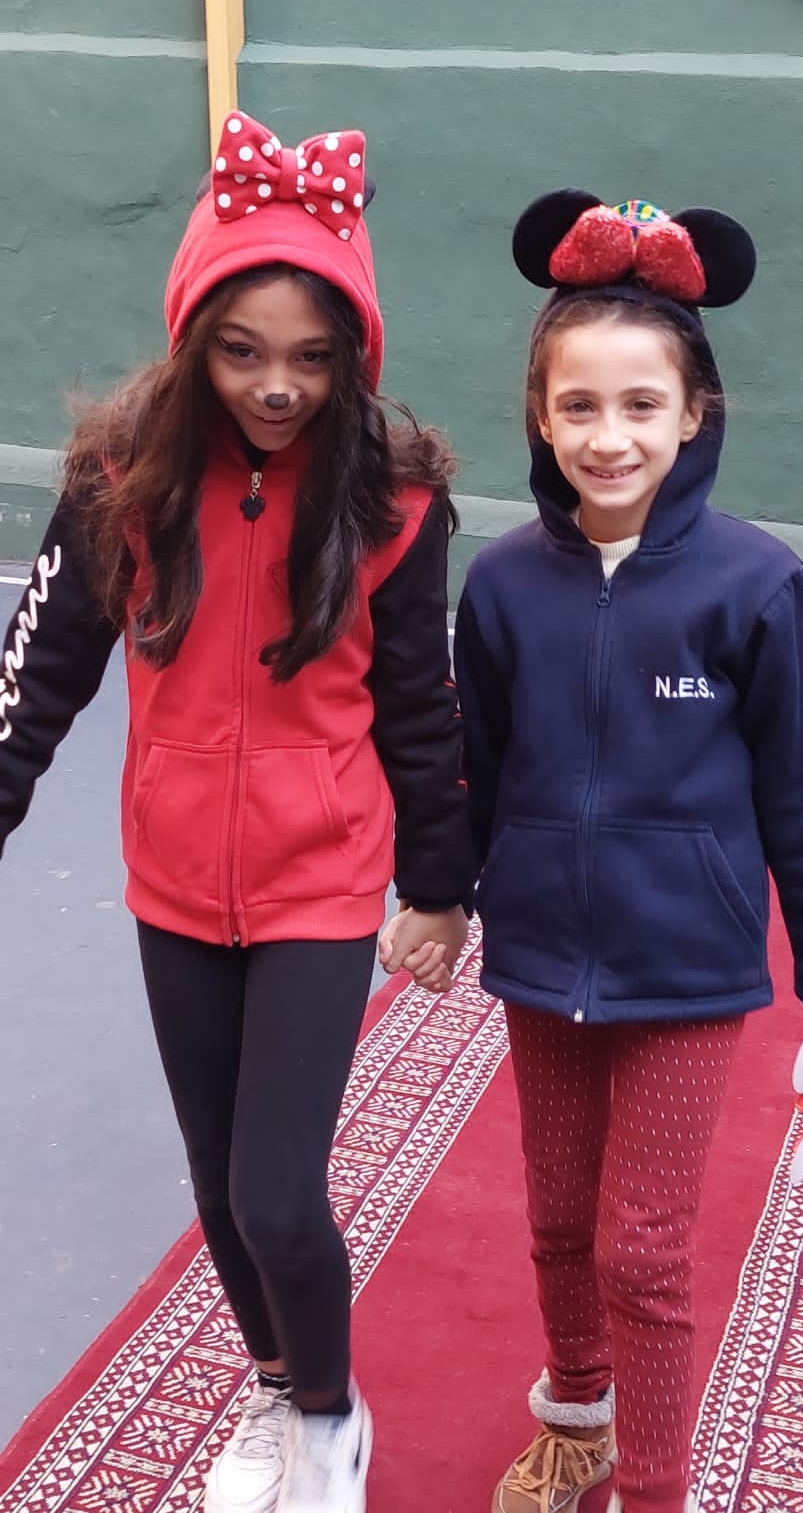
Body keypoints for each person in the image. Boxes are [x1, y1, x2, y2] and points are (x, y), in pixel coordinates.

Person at [0, 110, 473, 1513]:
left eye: (313, 358)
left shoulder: (393, 503)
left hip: (318, 882)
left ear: (354, 356)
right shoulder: (119, 484)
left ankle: (329, 1421)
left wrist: (438, 890)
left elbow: (421, 707)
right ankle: (278, 1388)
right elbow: (39, 679)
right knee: (216, 1192)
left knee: (275, 1194)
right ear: (192, 337)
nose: (277, 386)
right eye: (243, 350)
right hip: (171, 882)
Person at [452, 191, 803, 1513]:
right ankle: (576, 1418)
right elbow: (472, 769)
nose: (609, 435)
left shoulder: (756, 588)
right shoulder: (501, 583)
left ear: (695, 415)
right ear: (539, 417)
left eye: (642, 405)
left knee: (640, 1248)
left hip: (686, 970)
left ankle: (657, 1486)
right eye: (578, 405)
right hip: (541, 957)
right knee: (557, 1223)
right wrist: (435, 895)